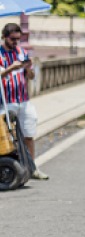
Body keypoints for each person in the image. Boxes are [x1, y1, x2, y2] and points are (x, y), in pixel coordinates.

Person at [0, 23, 47, 180]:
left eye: (18, 39)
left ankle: (31, 167)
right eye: (13, 39)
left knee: (28, 134)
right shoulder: (0, 54)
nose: (16, 42)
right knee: (6, 138)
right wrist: (10, 68)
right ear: (4, 37)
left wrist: (29, 69)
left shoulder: (22, 52)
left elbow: (32, 77)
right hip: (6, 102)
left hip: (24, 100)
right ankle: (9, 168)